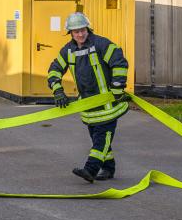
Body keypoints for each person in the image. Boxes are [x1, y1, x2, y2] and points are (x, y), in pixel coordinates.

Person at [46, 12, 129, 183]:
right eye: (76, 32)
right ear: (70, 33)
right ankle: (108, 168)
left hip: (108, 106)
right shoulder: (68, 51)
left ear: (88, 28)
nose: (80, 34)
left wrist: (118, 88)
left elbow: (119, 62)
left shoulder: (101, 44)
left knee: (101, 139)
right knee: (99, 138)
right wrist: (58, 90)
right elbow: (54, 70)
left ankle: (90, 169)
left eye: (82, 30)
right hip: (89, 107)